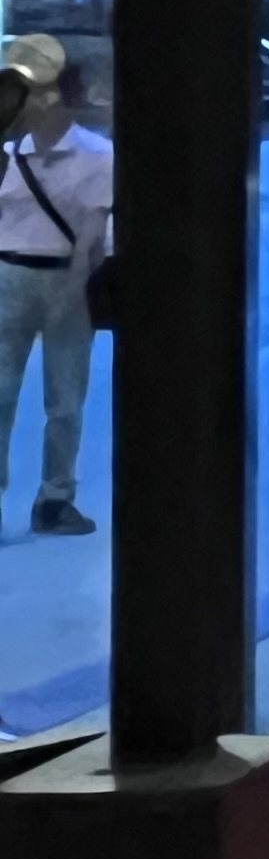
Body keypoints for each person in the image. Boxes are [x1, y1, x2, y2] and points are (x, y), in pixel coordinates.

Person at [0, 36, 110, 537]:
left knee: (64, 401)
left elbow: (92, 233)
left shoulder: (96, 155)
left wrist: (77, 285)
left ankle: (55, 497)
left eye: (41, 91)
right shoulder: (8, 151)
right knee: (1, 393)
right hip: (9, 275)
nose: (32, 103)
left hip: (67, 276)